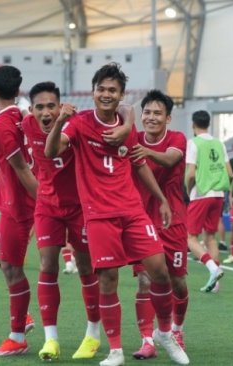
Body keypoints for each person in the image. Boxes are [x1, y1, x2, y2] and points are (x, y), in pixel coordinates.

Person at [45, 63, 189, 366]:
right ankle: (115, 350)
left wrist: (162, 199)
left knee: (160, 271)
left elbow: (138, 163)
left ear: (121, 94)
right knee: (108, 280)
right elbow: (51, 151)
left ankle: (165, 332)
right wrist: (59, 122)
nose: (106, 94)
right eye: (101, 89)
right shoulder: (81, 123)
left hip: (133, 212)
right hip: (98, 216)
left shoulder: (128, 128)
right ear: (93, 92)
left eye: (112, 90)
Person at [20, 81, 102, 361]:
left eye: (51, 106)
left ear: (60, 106)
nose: (46, 113)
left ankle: (93, 334)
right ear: (31, 110)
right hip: (47, 206)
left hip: (80, 206)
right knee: (47, 264)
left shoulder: (76, 123)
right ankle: (51, 339)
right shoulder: (26, 123)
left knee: (86, 267)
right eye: (40, 107)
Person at [128, 90, 190, 358]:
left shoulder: (177, 138)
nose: (151, 118)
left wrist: (146, 151)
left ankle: (176, 330)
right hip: (142, 219)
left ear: (168, 118)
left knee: (177, 282)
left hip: (173, 218)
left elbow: (170, 159)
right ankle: (147, 341)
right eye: (147, 113)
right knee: (145, 280)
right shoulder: (133, 138)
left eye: (157, 113)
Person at [0, 65, 39, 357]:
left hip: (19, 206)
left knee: (12, 268)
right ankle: (24, 317)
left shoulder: (1, 128)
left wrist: (46, 205)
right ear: (18, 91)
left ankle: (18, 335)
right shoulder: (23, 115)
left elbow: (22, 170)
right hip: (13, 204)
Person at [183, 110, 231, 293]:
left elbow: (191, 173)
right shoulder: (219, 143)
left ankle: (213, 268)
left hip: (201, 193)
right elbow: (229, 172)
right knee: (210, 237)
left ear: (193, 124)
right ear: (209, 124)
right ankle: (215, 283)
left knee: (189, 237)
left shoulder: (193, 143)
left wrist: (188, 191)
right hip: (218, 194)